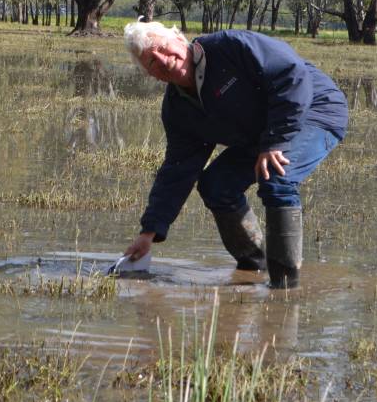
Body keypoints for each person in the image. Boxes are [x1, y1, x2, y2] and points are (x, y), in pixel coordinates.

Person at [122, 20, 348, 288]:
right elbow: (178, 168)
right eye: (151, 61)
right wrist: (149, 231)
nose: (162, 59)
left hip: (314, 109)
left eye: (162, 47)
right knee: (216, 185)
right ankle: (256, 265)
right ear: (152, 76)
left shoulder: (230, 46)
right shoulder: (178, 109)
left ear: (180, 40)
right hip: (263, 134)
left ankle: (284, 288)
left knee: (277, 177)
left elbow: (291, 74)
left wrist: (275, 142)